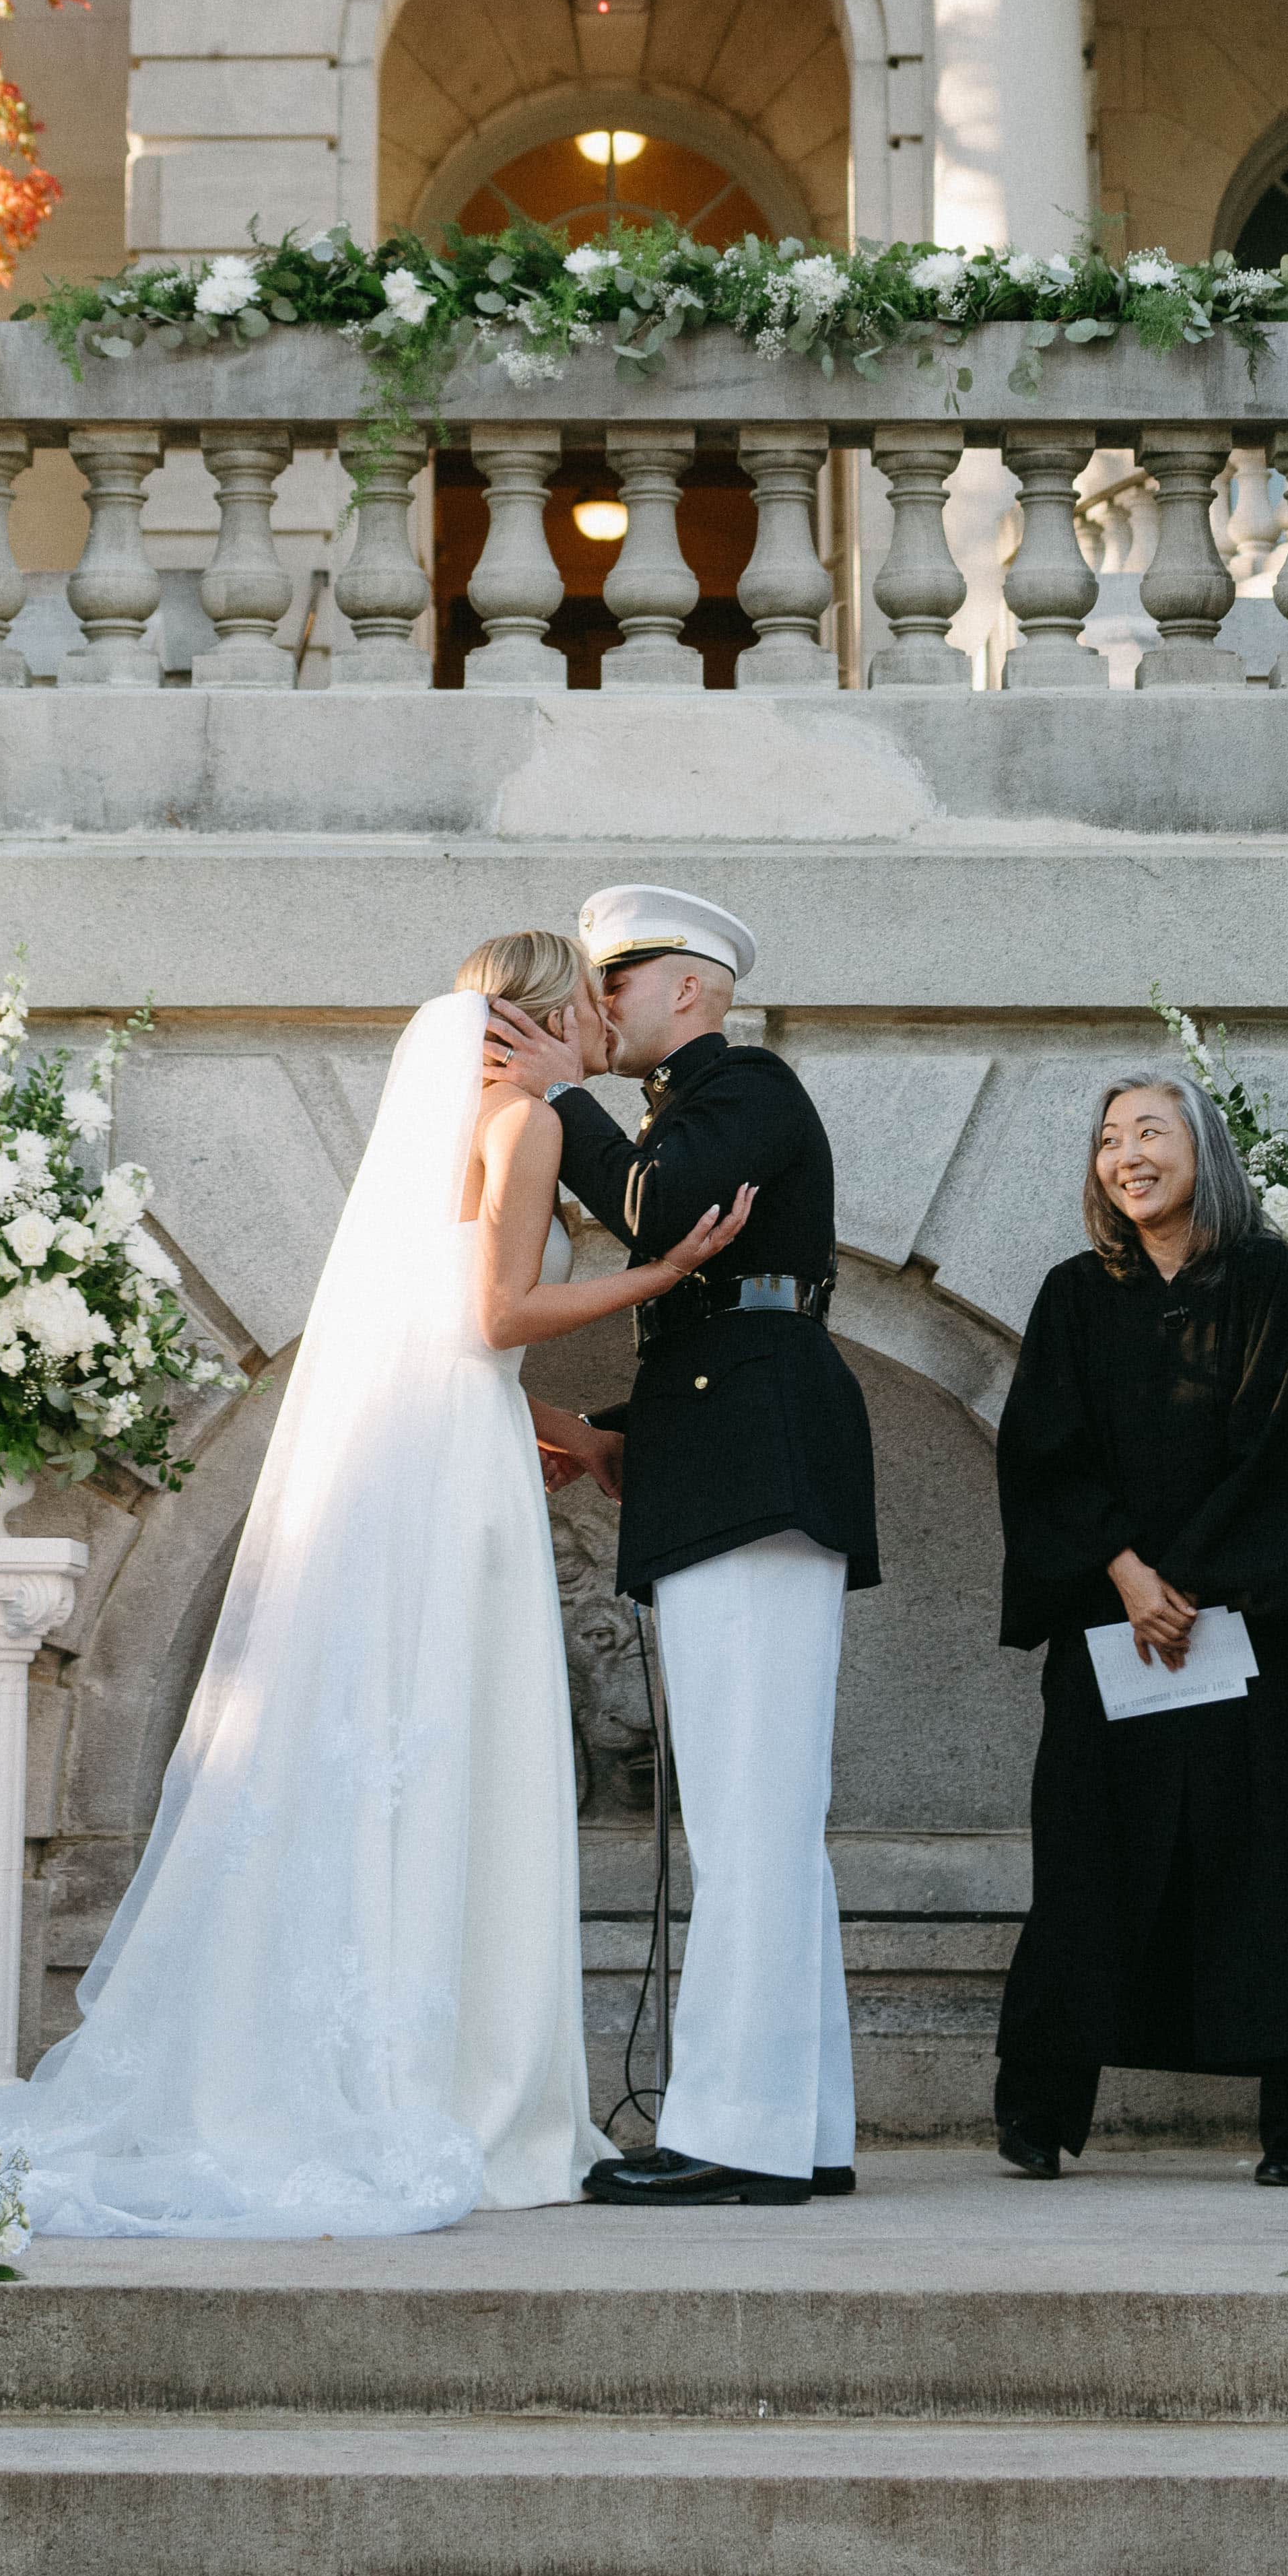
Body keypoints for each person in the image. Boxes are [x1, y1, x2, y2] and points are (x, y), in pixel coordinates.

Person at [0, 941, 756, 2240]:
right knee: (460, 1743)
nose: (601, 1022)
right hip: (458, 1473)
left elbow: (436, 1340)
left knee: (393, 1739)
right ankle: (464, 2089)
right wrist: (664, 1272)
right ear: (551, 1014)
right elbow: (498, 1312)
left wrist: (576, 1431)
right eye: (587, 1000)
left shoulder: (445, 1130)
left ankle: (354, 2057)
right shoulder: (520, 1122)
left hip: (432, 1446)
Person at [492, 881, 879, 2214]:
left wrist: (555, 1098)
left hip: (759, 1460)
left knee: (749, 1817)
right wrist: (608, 1428)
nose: (594, 1012)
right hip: (734, 1447)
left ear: (694, 990)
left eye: (618, 985)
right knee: (762, 1815)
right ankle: (804, 2121)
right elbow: (706, 1316)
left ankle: (738, 2131)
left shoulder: (748, 1084)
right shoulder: (690, 1106)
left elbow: (659, 1215)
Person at [990, 1075, 1288, 2192]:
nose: (1125, 1154)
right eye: (1107, 1138)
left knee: (1276, 1867)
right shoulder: (1071, 1294)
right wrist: (1126, 1571)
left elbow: (1285, 1453)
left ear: (1204, 1148)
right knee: (1085, 1856)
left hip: (1252, 1630)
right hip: (1116, 1628)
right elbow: (1041, 1452)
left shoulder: (1274, 1285)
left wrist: (1183, 1581)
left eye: (1149, 1131)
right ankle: (1038, 2108)